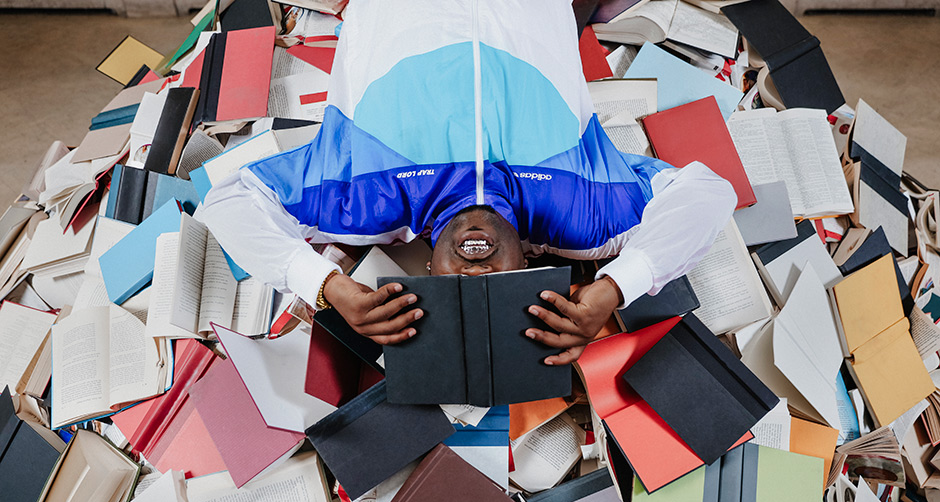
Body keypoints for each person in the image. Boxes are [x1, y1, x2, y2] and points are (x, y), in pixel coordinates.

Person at [197, 0, 736, 365]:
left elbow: (229, 198)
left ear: (428, 270)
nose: (476, 271)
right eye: (497, 289)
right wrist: (617, 286)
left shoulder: (360, 198)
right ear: (528, 267)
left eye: (457, 289)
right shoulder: (586, 208)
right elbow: (707, 193)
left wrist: (326, 285)